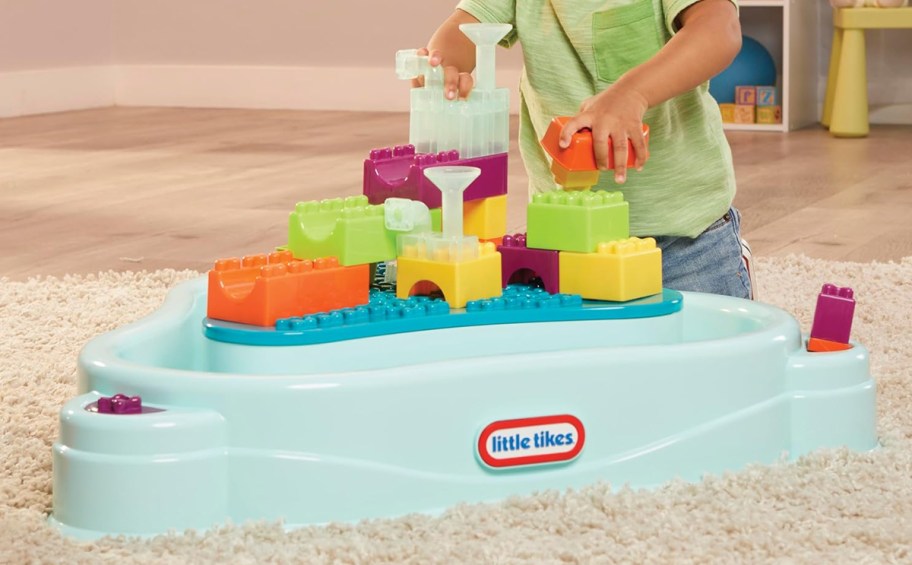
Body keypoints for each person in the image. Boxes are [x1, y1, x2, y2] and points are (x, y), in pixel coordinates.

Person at [415, 0, 754, 299]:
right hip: (564, 240)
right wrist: (443, 64)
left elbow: (718, 27)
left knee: (704, 361)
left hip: (681, 242)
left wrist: (633, 93)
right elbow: (464, 26)